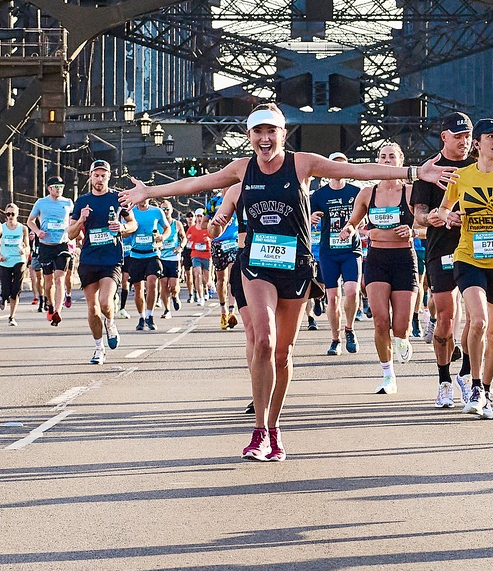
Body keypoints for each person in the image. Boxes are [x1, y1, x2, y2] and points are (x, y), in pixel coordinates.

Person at [123, 106, 454, 460]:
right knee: (263, 340)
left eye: (272, 132)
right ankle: (258, 431)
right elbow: (196, 183)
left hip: (295, 267)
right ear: (250, 136)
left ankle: (276, 428)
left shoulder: (302, 163)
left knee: (283, 354)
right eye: (257, 132)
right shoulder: (241, 168)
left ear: (283, 134)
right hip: (256, 266)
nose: (265, 139)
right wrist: (151, 191)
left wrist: (416, 171)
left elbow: (355, 170)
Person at [433, 117, 493, 419]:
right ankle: (474, 386)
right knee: (478, 321)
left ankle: (485, 390)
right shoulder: (462, 176)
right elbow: (443, 209)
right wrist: (449, 217)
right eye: (491, 136)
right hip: (468, 256)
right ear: (478, 144)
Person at [414, 112, 476, 409]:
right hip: (443, 249)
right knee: (447, 317)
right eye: (458, 136)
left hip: (477, 247)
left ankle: (465, 375)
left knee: (477, 317)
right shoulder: (431, 169)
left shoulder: (479, 166)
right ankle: (443, 380)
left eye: (467, 136)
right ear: (444, 137)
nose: (464, 142)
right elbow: (419, 216)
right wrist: (436, 216)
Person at [354, 142, 418, 394]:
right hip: (377, 260)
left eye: (392, 156)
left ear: (401, 161)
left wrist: (414, 230)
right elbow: (353, 224)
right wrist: (350, 230)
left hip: (404, 259)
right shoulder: (367, 194)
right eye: (383, 156)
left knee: (400, 326)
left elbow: (426, 225)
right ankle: (388, 375)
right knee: (381, 321)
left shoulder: (411, 192)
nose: (387, 160)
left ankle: (402, 339)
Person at [72, 162, 130, 363]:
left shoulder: (117, 198)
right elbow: (70, 233)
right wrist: (80, 220)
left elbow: (133, 223)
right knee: (92, 308)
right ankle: (99, 348)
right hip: (89, 258)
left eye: (103, 176)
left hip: (111, 258)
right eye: (96, 175)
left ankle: (111, 323)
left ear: (109, 177)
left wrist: (122, 228)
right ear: (90, 176)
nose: (99, 179)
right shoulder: (82, 201)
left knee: (105, 302)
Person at [310, 158, 363, 356]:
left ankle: (349, 328)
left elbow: (364, 214)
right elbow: (306, 216)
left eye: (342, 164)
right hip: (328, 251)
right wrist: (311, 217)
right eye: (334, 164)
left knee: (352, 291)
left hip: (351, 250)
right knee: (332, 298)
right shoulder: (319, 195)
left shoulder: (355, 192)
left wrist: (356, 225)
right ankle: (335, 339)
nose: (337, 169)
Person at [27, 181, 74, 326]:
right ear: (49, 188)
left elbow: (74, 219)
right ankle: (51, 304)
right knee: (48, 282)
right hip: (46, 246)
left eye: (61, 187)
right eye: (56, 187)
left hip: (62, 245)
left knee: (59, 279)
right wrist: (37, 232)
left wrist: (73, 230)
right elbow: (30, 221)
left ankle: (58, 312)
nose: (59, 190)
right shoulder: (41, 203)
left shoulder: (68, 203)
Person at [122, 182, 164, 333]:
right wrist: (127, 230)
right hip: (135, 254)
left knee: (152, 282)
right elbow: (124, 232)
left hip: (153, 253)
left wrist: (161, 237)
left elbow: (166, 229)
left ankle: (150, 315)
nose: (143, 200)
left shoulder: (157, 211)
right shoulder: (130, 213)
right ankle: (141, 317)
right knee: (138, 288)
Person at [211, 184, 242, 330]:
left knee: (232, 276)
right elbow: (206, 225)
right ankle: (223, 309)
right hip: (218, 244)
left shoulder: (239, 198)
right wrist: (215, 224)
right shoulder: (213, 202)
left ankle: (231, 310)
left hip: (234, 243)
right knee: (221, 280)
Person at [0, 203, 28, 324]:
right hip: (5, 261)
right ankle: (4, 297)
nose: (10, 216)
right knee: (6, 288)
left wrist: (24, 250)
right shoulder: (1, 228)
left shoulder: (23, 228)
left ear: (17, 215)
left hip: (19, 260)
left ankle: (12, 317)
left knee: (16, 290)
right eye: (8, 214)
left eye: (12, 214)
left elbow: (27, 246)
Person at [184, 209, 213, 305]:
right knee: (197, 274)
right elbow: (186, 238)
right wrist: (187, 239)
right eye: (197, 216)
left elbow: (215, 237)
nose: (199, 218)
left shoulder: (208, 227)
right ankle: (200, 297)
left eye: (201, 216)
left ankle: (207, 290)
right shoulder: (191, 228)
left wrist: (209, 239)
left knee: (206, 279)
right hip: (195, 254)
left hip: (206, 254)